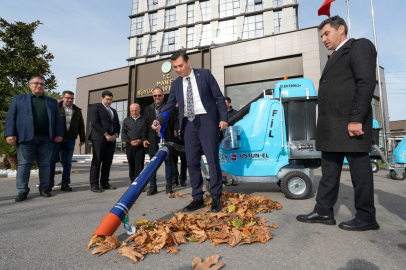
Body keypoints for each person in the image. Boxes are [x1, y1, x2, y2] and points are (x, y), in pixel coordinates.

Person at [296, 16, 379, 231]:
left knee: (359, 172)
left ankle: (366, 216)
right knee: (329, 173)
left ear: (341, 29)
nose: (323, 38)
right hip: (331, 126)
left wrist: (356, 118)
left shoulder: (358, 46)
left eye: (326, 33)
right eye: (321, 35)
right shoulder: (333, 56)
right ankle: (323, 210)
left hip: (350, 123)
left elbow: (366, 82)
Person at [152, 50, 228, 213]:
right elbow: (169, 107)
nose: (178, 69)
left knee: (211, 159)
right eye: (175, 67)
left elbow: (219, 98)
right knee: (192, 161)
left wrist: (223, 118)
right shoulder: (175, 84)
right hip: (189, 124)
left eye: (180, 65)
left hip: (207, 120)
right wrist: (160, 120)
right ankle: (197, 197)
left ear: (188, 62)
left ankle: (215, 197)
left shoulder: (205, 75)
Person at [4, 77, 63, 201]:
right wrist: (10, 134)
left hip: (47, 138)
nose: (39, 86)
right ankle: (22, 191)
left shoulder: (52, 102)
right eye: (36, 83)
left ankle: (44, 188)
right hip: (25, 138)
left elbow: (58, 119)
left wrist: (59, 133)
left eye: (42, 84)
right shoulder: (18, 99)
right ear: (30, 85)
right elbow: (10, 118)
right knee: (24, 164)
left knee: (45, 164)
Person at [142, 87, 178, 196]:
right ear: (153, 97)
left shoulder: (169, 107)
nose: (157, 97)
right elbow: (145, 125)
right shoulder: (148, 108)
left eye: (159, 95)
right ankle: (153, 187)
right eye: (155, 95)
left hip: (166, 139)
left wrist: (177, 128)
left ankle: (168, 186)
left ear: (163, 96)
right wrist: (144, 138)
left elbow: (176, 120)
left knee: (168, 163)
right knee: (153, 164)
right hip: (153, 140)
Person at [49, 90, 86, 192]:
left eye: (72, 98)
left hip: (70, 139)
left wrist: (82, 138)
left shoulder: (77, 110)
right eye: (68, 98)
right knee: (52, 161)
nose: (70, 100)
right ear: (62, 98)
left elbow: (81, 125)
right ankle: (49, 182)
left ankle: (65, 183)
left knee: (67, 162)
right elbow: (50, 123)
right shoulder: (55, 108)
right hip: (57, 139)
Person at [88, 91, 121, 193]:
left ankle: (105, 182)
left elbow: (117, 125)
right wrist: (106, 134)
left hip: (111, 140)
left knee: (107, 162)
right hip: (99, 138)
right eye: (107, 99)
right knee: (97, 162)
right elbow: (95, 122)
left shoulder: (114, 111)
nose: (109, 101)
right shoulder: (95, 107)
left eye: (110, 99)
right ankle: (94, 184)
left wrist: (115, 135)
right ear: (102, 98)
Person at [122, 103, 145, 183]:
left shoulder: (144, 120)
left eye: (136, 110)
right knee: (131, 165)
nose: (134, 112)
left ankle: (139, 182)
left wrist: (140, 140)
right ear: (130, 111)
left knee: (139, 165)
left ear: (139, 110)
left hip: (140, 147)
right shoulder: (126, 121)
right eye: (132, 110)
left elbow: (146, 133)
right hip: (130, 146)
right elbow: (123, 134)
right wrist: (130, 142)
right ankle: (133, 182)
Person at [171, 103, 187, 187]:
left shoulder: (185, 110)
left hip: (184, 139)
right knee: (174, 160)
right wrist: (173, 130)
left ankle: (183, 179)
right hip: (174, 139)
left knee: (184, 161)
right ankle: (175, 179)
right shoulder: (171, 110)